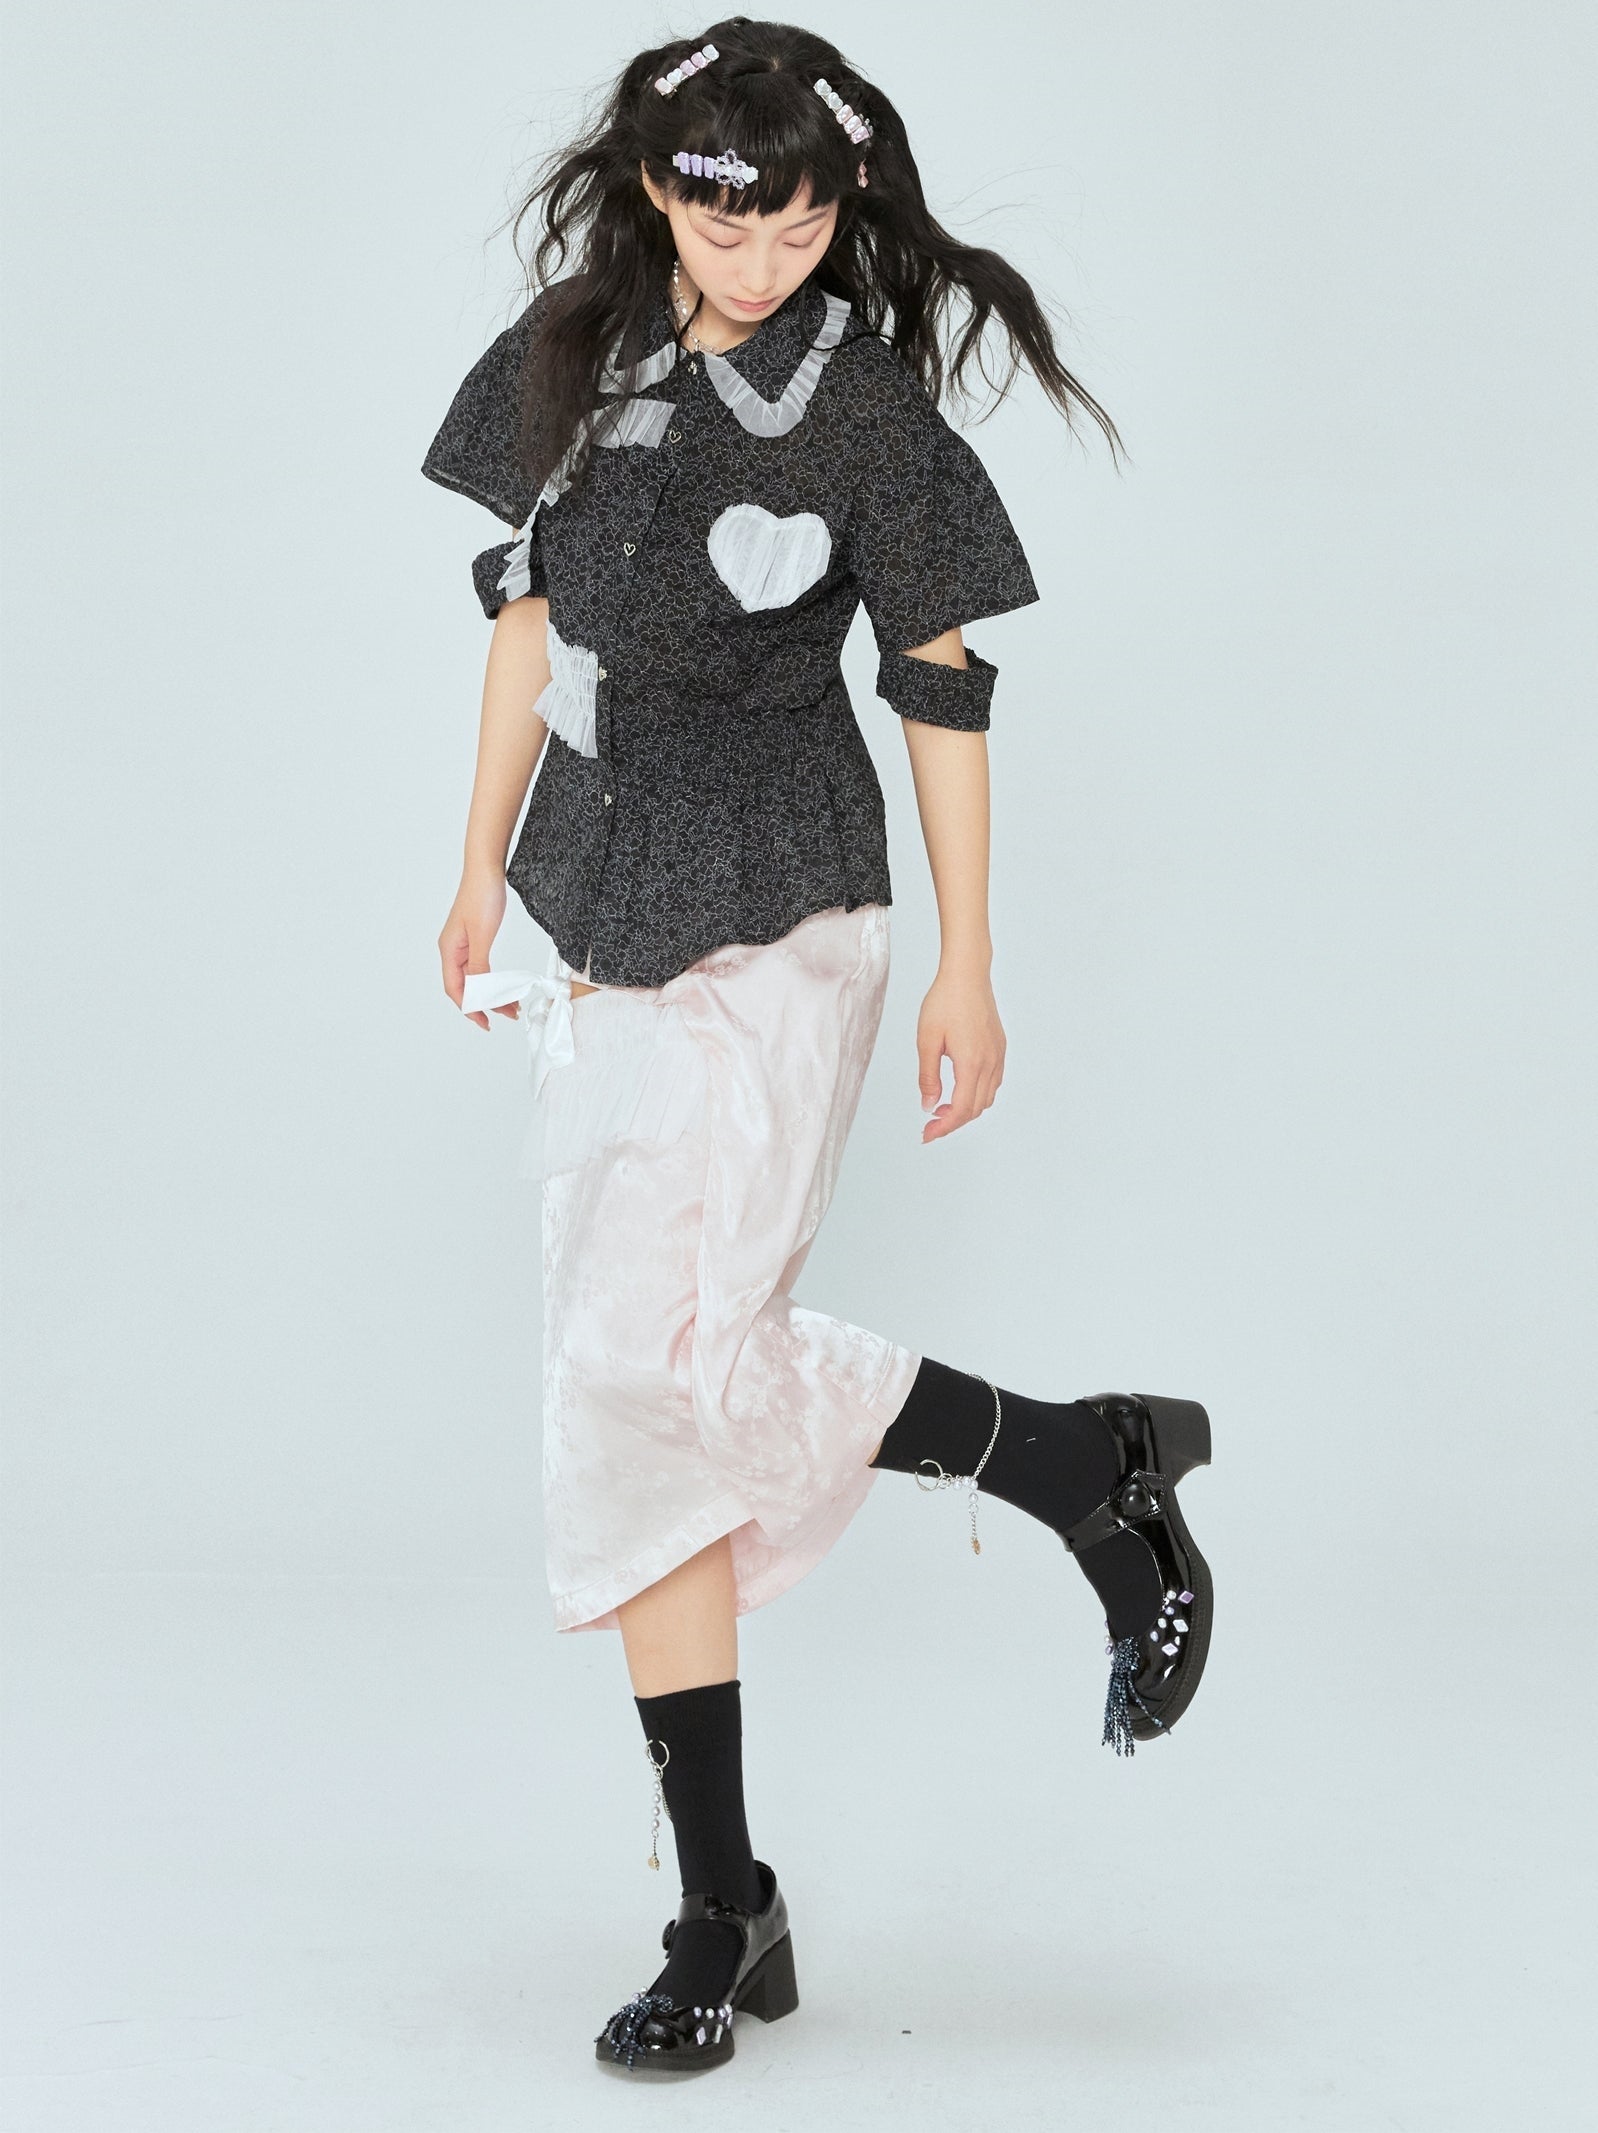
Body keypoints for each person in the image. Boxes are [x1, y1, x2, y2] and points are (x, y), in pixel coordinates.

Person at [423, 18, 1214, 2078]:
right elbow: (526, 623)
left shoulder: (859, 408)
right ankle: (728, 1893)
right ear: (657, 192)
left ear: (838, 206)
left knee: (666, 1359)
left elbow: (938, 683)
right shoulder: (572, 360)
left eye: (792, 222)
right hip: (600, 892)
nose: (756, 257)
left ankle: (1083, 1471)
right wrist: (474, 862)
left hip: (787, 901)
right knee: (628, 1392)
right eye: (720, 218)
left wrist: (970, 963)